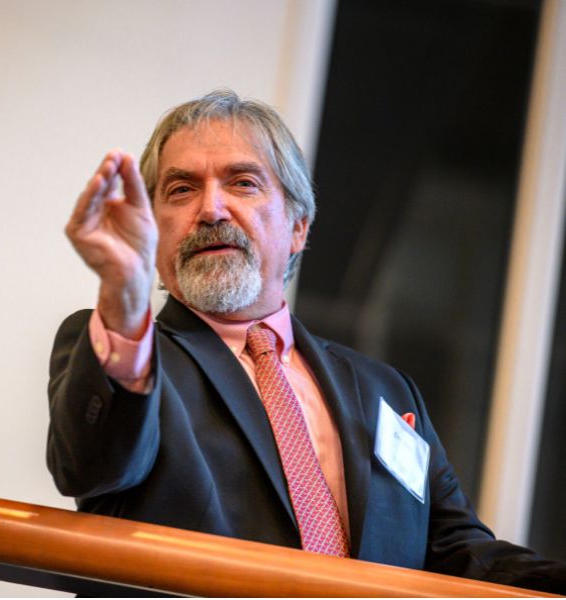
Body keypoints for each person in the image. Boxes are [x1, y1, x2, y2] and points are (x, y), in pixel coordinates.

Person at [47, 89, 564, 592]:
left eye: (243, 183)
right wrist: (124, 296)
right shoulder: (125, 353)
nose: (211, 210)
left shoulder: (389, 392)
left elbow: (456, 550)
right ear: (152, 231)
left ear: (298, 226)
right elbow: (91, 469)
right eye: (181, 190)